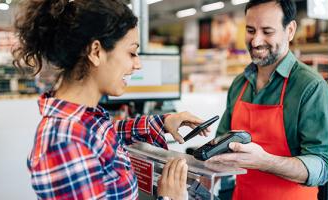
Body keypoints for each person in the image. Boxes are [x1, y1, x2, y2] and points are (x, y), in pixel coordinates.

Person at [12, 0, 208, 199]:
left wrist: (162, 122)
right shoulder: (66, 141)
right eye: (131, 52)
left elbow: (105, 135)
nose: (138, 64)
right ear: (96, 52)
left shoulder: (85, 120)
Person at [209, 0, 328, 199]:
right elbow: (221, 146)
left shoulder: (310, 87)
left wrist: (266, 162)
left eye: (267, 32)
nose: (256, 41)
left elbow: (324, 165)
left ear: (290, 30)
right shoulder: (239, 84)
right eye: (250, 30)